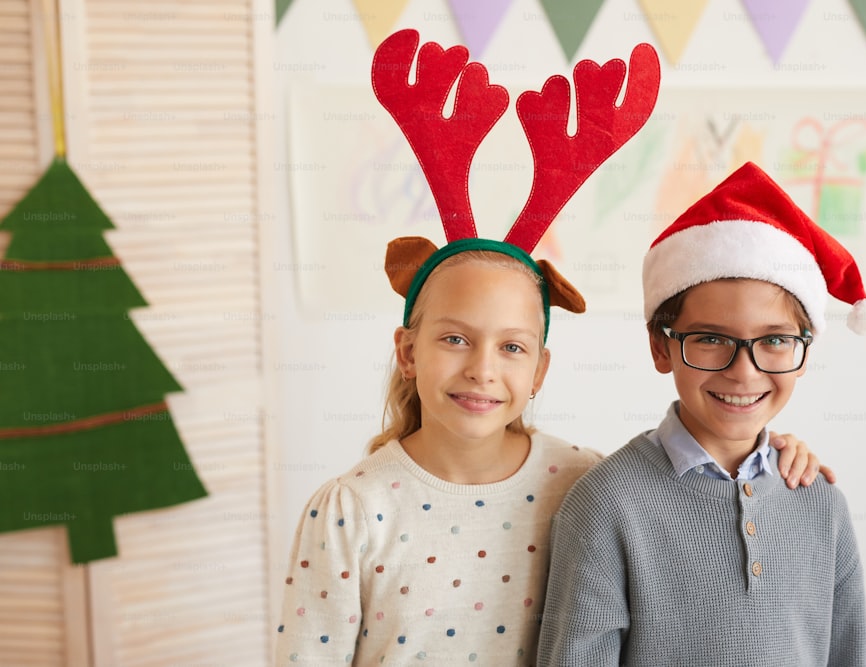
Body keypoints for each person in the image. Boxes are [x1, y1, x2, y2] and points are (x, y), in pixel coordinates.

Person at [275, 30, 831, 666]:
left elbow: (691, 494)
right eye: (454, 338)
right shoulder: (351, 511)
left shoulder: (583, 482)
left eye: (512, 348)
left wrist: (777, 452)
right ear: (407, 351)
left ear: (540, 368)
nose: (482, 369)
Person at [537, 161, 866, 667]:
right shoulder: (606, 505)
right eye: (712, 338)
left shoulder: (821, 503)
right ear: (660, 347)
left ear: (802, 349)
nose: (743, 372)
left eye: (775, 341)